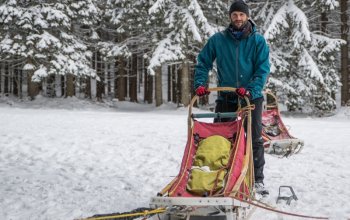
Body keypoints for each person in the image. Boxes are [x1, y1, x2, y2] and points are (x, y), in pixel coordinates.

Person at [193, 0, 270, 195]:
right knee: (220, 138)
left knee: (254, 138)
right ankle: (221, 176)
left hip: (251, 98)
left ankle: (257, 180)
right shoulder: (218, 40)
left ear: (247, 16)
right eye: (235, 14)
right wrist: (200, 84)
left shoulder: (257, 41)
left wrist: (251, 89)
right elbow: (203, 62)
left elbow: (262, 70)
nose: (238, 18)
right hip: (226, 96)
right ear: (230, 16)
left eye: (242, 15)